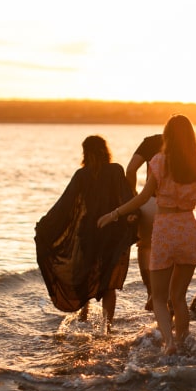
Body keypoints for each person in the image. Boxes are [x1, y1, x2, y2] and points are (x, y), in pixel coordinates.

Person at [98, 115, 196, 356]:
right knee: (179, 296)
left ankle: (169, 343)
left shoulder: (159, 161)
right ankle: (183, 342)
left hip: (164, 229)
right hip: (188, 229)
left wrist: (114, 213)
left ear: (168, 136)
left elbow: (143, 197)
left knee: (160, 298)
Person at [34, 135, 138, 331]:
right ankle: (106, 328)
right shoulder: (116, 170)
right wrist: (132, 215)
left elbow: (64, 206)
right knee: (108, 282)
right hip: (111, 233)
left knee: (84, 273)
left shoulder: (81, 175)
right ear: (105, 151)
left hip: (88, 233)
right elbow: (126, 197)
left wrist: (45, 226)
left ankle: (84, 313)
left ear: (85, 152)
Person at [125, 134, 196, 311]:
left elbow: (130, 169)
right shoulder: (192, 141)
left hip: (151, 202)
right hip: (183, 210)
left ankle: (152, 292)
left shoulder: (150, 142)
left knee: (145, 247)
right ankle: (173, 299)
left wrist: (132, 197)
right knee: (176, 254)